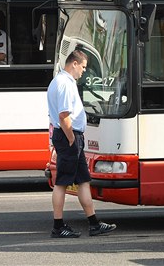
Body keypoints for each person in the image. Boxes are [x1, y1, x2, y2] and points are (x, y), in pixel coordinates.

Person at [47, 49, 117, 238]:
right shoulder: (65, 84)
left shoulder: (60, 81)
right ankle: (58, 226)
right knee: (62, 182)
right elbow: (64, 116)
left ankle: (94, 223)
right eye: (83, 67)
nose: (84, 72)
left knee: (83, 180)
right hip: (69, 136)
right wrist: (71, 138)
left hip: (70, 136)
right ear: (74, 64)